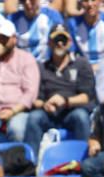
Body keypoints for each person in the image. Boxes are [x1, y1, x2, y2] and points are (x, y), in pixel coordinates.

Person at [23, 24, 96, 159]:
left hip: (72, 112)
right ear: (50, 43)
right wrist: (45, 105)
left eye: (63, 40)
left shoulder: (81, 63)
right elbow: (35, 99)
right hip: (49, 113)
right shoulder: (41, 67)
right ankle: (30, 163)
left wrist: (66, 102)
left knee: (81, 116)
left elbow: (87, 97)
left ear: (70, 42)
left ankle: (83, 162)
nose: (60, 43)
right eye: (56, 40)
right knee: (34, 117)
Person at [67, 0, 104, 67]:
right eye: (85, 1)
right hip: (83, 68)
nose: (90, 4)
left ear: (101, 1)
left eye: (94, 0)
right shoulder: (73, 24)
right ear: (80, 3)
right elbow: (71, 53)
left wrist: (100, 67)